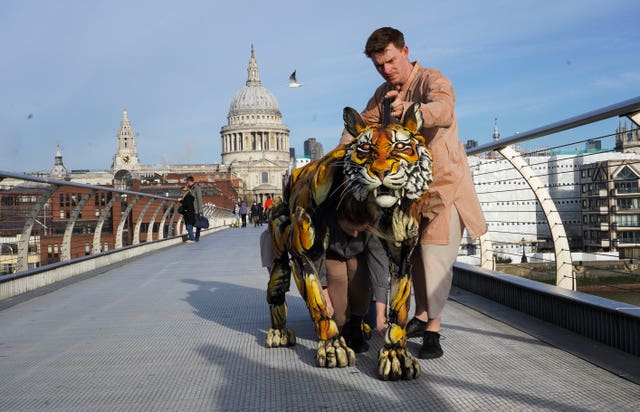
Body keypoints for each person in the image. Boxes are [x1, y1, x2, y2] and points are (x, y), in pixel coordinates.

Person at [341, 27, 487, 359]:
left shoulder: (433, 80)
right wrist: (340, 156)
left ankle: (429, 328)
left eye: (390, 61)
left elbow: (444, 110)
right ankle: (421, 321)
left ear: (405, 51)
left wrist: (413, 109)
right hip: (405, 193)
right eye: (379, 66)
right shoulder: (381, 94)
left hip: (442, 188)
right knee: (410, 258)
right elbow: (360, 129)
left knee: (435, 257)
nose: (386, 70)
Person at [315, 198, 389, 353]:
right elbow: (317, 262)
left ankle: (356, 323)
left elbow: (379, 266)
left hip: (357, 256)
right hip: (331, 256)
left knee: (358, 270)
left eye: (359, 230)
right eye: (350, 228)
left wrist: (381, 316)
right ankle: (342, 324)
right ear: (339, 218)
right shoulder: (324, 219)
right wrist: (326, 301)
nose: (356, 234)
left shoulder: (370, 221)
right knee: (337, 278)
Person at [180, 176, 203, 243]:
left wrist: (200, 209)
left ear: (190, 181)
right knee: (192, 222)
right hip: (191, 208)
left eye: (187, 182)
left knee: (198, 223)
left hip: (197, 208)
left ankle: (196, 237)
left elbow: (199, 198)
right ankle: (192, 237)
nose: (187, 183)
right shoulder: (189, 188)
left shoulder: (197, 188)